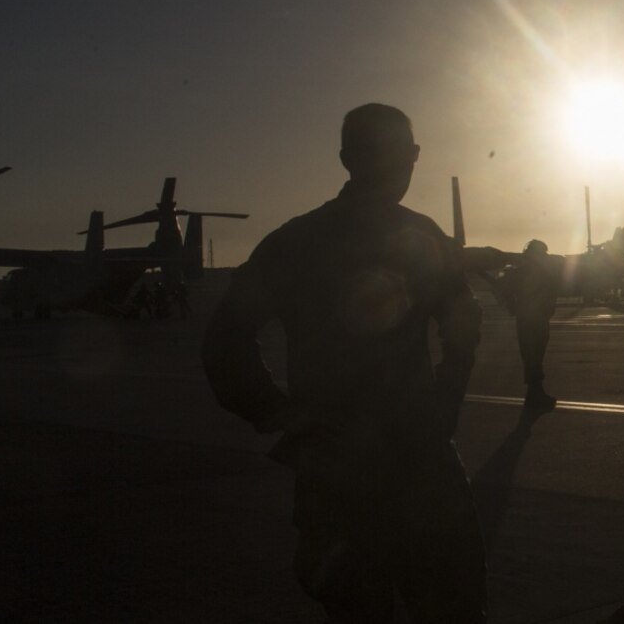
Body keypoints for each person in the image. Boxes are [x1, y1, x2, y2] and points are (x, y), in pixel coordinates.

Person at [202, 103, 486, 623]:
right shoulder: (421, 239)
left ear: (345, 159)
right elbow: (465, 326)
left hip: (332, 464)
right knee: (451, 603)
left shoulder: (293, 242)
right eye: (409, 153)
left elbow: (225, 339)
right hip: (417, 461)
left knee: (354, 606)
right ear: (410, 157)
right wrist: (444, 403)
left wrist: (276, 412)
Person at [500, 239, 559, 411]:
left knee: (531, 356)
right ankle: (535, 394)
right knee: (535, 356)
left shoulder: (520, 272)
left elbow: (507, 291)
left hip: (527, 318)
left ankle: (535, 393)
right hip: (535, 319)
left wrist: (513, 307)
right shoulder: (542, 272)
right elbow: (551, 292)